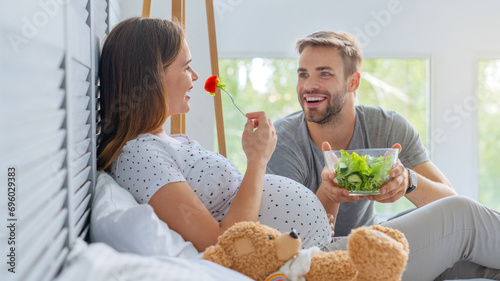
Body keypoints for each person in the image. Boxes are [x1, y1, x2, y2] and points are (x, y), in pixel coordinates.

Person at [97, 18, 500, 280]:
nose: (195, 76)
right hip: (315, 262)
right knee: (460, 217)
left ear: (353, 82)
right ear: (152, 75)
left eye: (325, 74)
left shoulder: (169, 142)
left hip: (319, 250)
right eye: (185, 66)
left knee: (474, 266)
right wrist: (257, 161)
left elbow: (281, 223)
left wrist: (398, 184)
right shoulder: (140, 154)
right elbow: (222, 245)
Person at [266, 30, 457, 237]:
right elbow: (288, 241)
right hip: (316, 254)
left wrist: (408, 181)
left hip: (372, 245)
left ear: (353, 82)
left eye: (324, 74)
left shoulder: (388, 127)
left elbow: (453, 205)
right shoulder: (283, 140)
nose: (309, 85)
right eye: (303, 74)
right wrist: (328, 194)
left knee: (451, 224)